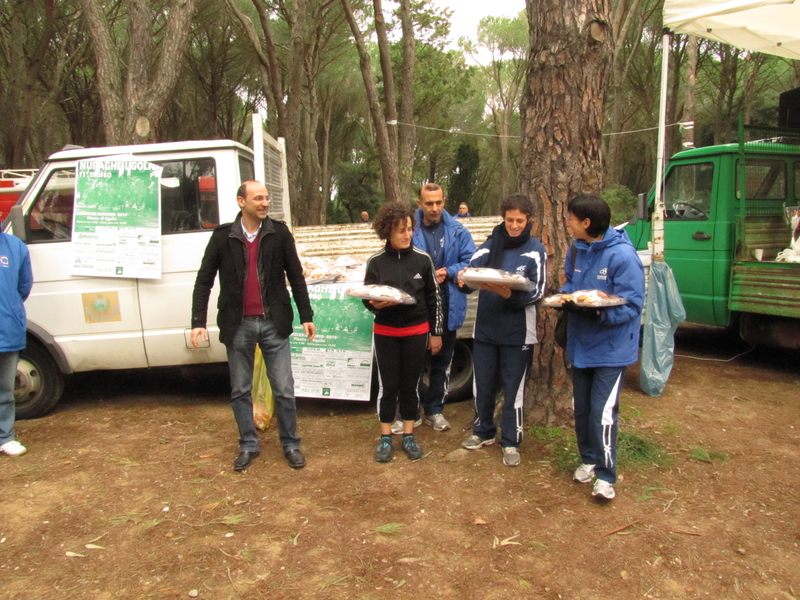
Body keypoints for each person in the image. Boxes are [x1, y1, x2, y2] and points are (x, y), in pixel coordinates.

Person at [191, 181, 315, 472]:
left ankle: (291, 444)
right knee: (240, 390)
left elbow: (296, 276)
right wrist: (197, 321)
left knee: (284, 388)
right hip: (238, 325)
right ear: (241, 201)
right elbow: (204, 280)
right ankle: (248, 444)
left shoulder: (279, 232)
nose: (264, 203)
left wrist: (306, 315)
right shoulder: (223, 236)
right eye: (258, 198)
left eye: (267, 198)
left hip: (274, 323)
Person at [560, 193, 645, 501]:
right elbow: (570, 283)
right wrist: (565, 298)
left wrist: (598, 312)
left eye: (570, 218)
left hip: (611, 349)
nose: (567, 223)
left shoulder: (623, 256)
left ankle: (606, 476)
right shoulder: (576, 250)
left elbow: (633, 305)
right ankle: (589, 459)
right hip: (580, 345)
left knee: (603, 413)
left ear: (586, 223)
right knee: (581, 410)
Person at [458, 194, 546, 467]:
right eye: (510, 220)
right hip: (485, 329)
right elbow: (472, 275)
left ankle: (511, 440)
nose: (515, 226)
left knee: (512, 389)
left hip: (517, 333)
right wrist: (464, 279)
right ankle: (482, 431)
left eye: (520, 221)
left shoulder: (535, 250)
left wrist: (510, 294)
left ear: (529, 220)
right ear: (503, 218)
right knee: (482, 384)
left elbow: (538, 291)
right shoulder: (489, 245)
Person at [388, 183, 475, 435]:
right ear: (419, 203)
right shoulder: (407, 228)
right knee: (410, 363)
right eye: (429, 203)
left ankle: (435, 410)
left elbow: (472, 260)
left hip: (448, 302)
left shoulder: (458, 230)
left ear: (444, 200)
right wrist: (423, 275)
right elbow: (395, 258)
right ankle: (409, 414)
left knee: (442, 361)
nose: (434, 208)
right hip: (414, 306)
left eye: (438, 202)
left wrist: (448, 271)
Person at [363, 202, 442, 463]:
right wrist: (375, 304)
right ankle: (385, 437)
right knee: (389, 386)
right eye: (400, 230)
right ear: (388, 231)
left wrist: (436, 332)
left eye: (409, 229)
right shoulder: (375, 261)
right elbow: (367, 295)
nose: (407, 234)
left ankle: (408, 434)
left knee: (410, 385)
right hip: (385, 331)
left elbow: (434, 299)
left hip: (416, 331)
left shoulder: (422, 259)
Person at [0, 219, 33, 457]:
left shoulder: (15, 247)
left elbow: (23, 287)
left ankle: (5, 437)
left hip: (6, 330)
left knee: (4, 389)